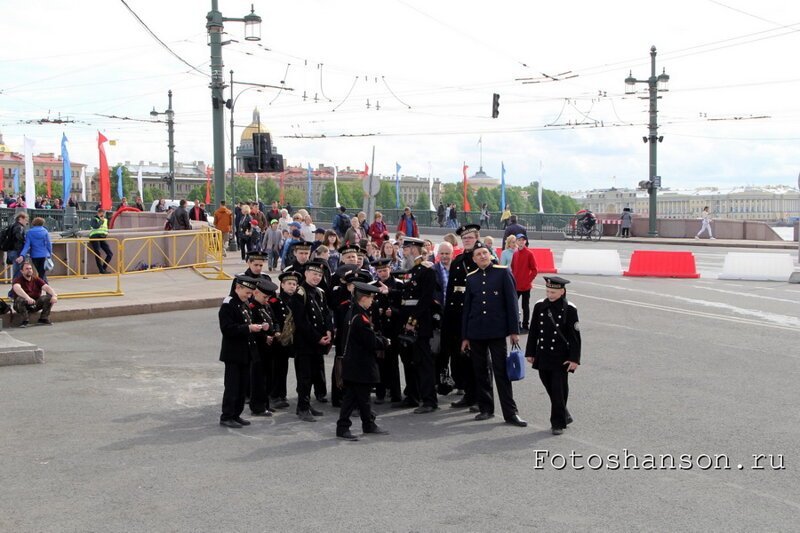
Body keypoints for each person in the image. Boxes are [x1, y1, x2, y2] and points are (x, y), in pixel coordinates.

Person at [461, 243, 527, 427]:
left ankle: (510, 413)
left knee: (501, 372)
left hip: (497, 331)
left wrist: (514, 330)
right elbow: (467, 308)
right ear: (473, 259)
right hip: (476, 331)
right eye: (478, 254)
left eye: (485, 253)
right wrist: (465, 336)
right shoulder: (471, 278)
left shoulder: (502, 272)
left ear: (490, 255)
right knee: (481, 372)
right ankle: (486, 409)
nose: (482, 256)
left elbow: (512, 303)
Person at [525, 276, 581, 435]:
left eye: (554, 292)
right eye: (548, 291)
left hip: (560, 356)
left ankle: (558, 423)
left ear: (562, 291)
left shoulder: (569, 308)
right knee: (548, 384)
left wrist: (574, 358)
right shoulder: (539, 306)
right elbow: (534, 331)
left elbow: (574, 336)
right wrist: (530, 352)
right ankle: (564, 412)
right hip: (543, 353)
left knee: (558, 388)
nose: (550, 294)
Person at [336, 281, 390, 441]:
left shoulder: (353, 311)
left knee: (359, 397)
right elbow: (370, 341)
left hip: (355, 363)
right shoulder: (360, 317)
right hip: (360, 364)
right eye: (371, 298)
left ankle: (367, 424)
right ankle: (344, 427)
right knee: (355, 398)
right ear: (363, 298)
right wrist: (385, 342)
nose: (372, 301)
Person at [397, 237, 438, 413]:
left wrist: (412, 321)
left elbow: (425, 299)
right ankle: (412, 395)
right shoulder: (411, 270)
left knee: (424, 362)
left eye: (405, 247)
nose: (403, 250)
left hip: (419, 322)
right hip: (406, 320)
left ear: (414, 249)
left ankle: (429, 400)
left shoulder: (426, 270)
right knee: (409, 361)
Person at [289, 259, 333, 421]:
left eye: (320, 275)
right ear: (306, 273)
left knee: (314, 374)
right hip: (305, 344)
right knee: (304, 377)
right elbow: (301, 322)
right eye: (314, 274)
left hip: (318, 342)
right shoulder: (300, 293)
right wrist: (317, 338)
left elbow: (326, 313)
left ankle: (307, 404)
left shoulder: (319, 292)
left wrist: (328, 330)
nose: (317, 277)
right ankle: (302, 408)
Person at [218, 275, 263, 428]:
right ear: (238, 288)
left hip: (246, 351)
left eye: (251, 293)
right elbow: (227, 329)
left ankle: (236, 414)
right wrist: (248, 328)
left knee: (243, 386)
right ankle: (227, 416)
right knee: (232, 386)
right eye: (247, 293)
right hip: (233, 353)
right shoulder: (229, 304)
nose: (249, 296)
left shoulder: (243, 303)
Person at [443, 224, 480, 409]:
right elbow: (450, 289)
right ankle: (467, 393)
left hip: (474, 314)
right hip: (457, 313)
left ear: (477, 238)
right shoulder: (458, 260)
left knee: (477, 359)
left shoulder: (481, 257)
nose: (467, 240)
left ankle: (480, 397)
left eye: (470, 237)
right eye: (464, 238)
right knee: (461, 357)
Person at [371, 258, 403, 404]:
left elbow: (403, 306)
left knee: (393, 362)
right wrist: (379, 312)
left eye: (385, 270)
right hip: (380, 329)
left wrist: (394, 312)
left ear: (390, 269)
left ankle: (396, 394)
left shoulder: (398, 285)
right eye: (379, 271)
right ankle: (380, 393)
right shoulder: (373, 286)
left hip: (394, 329)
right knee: (379, 362)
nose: (383, 273)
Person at [248, 278, 279, 417]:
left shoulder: (266, 306)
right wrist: (264, 337)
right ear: (256, 293)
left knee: (268, 377)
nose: (267, 299)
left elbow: (275, 320)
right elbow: (251, 328)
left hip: (270, 348)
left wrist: (276, 331)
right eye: (265, 297)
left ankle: (265, 403)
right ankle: (257, 406)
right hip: (259, 348)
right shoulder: (252, 308)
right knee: (259, 379)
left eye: (268, 297)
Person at [269, 271, 299, 410]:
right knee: (277, 368)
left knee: (284, 368)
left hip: (292, 339)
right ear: (282, 284)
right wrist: (276, 332)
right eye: (289, 284)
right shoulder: (275, 301)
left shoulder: (297, 300)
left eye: (294, 284)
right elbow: (272, 318)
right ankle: (275, 395)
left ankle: (282, 394)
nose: (292, 287)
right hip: (279, 339)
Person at [11, 261, 58, 327]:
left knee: (49, 298)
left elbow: (46, 287)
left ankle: (43, 318)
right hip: (21, 305)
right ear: (22, 271)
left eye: (30, 268)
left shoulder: (36, 279)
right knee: (20, 299)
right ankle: (25, 321)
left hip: (35, 304)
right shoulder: (17, 280)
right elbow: (16, 288)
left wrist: (54, 295)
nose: (29, 270)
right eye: (27, 269)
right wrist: (27, 298)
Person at [510, 234, 538, 333]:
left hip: (526, 286)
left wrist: (527, 280)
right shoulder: (515, 253)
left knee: (525, 306)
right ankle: (516, 324)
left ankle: (525, 325)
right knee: (514, 306)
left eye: (523, 240)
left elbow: (534, 270)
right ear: (516, 242)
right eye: (519, 240)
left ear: (525, 241)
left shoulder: (529, 253)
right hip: (516, 286)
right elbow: (513, 268)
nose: (521, 242)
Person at [17, 217, 52, 282]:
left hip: (34, 255)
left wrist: (22, 255)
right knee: (42, 273)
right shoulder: (45, 231)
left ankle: (44, 289)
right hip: (44, 255)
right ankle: (46, 289)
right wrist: (50, 254)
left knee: (41, 273)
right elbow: (49, 244)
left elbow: (27, 245)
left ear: (34, 223)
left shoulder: (29, 232)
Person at [88, 208, 114, 274]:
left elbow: (106, 229)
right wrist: (101, 221)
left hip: (102, 237)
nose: (103, 215)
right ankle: (101, 270)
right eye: (102, 214)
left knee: (110, 253)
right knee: (98, 253)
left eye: (104, 214)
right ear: (98, 213)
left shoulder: (105, 220)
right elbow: (95, 226)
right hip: (95, 237)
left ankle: (103, 268)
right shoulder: (94, 219)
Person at [5, 212, 28, 280]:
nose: (26, 222)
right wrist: (21, 254)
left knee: (17, 271)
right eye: (26, 220)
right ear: (20, 218)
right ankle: (15, 289)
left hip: (10, 251)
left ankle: (16, 288)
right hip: (17, 251)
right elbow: (19, 239)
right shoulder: (19, 227)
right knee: (18, 272)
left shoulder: (11, 225)